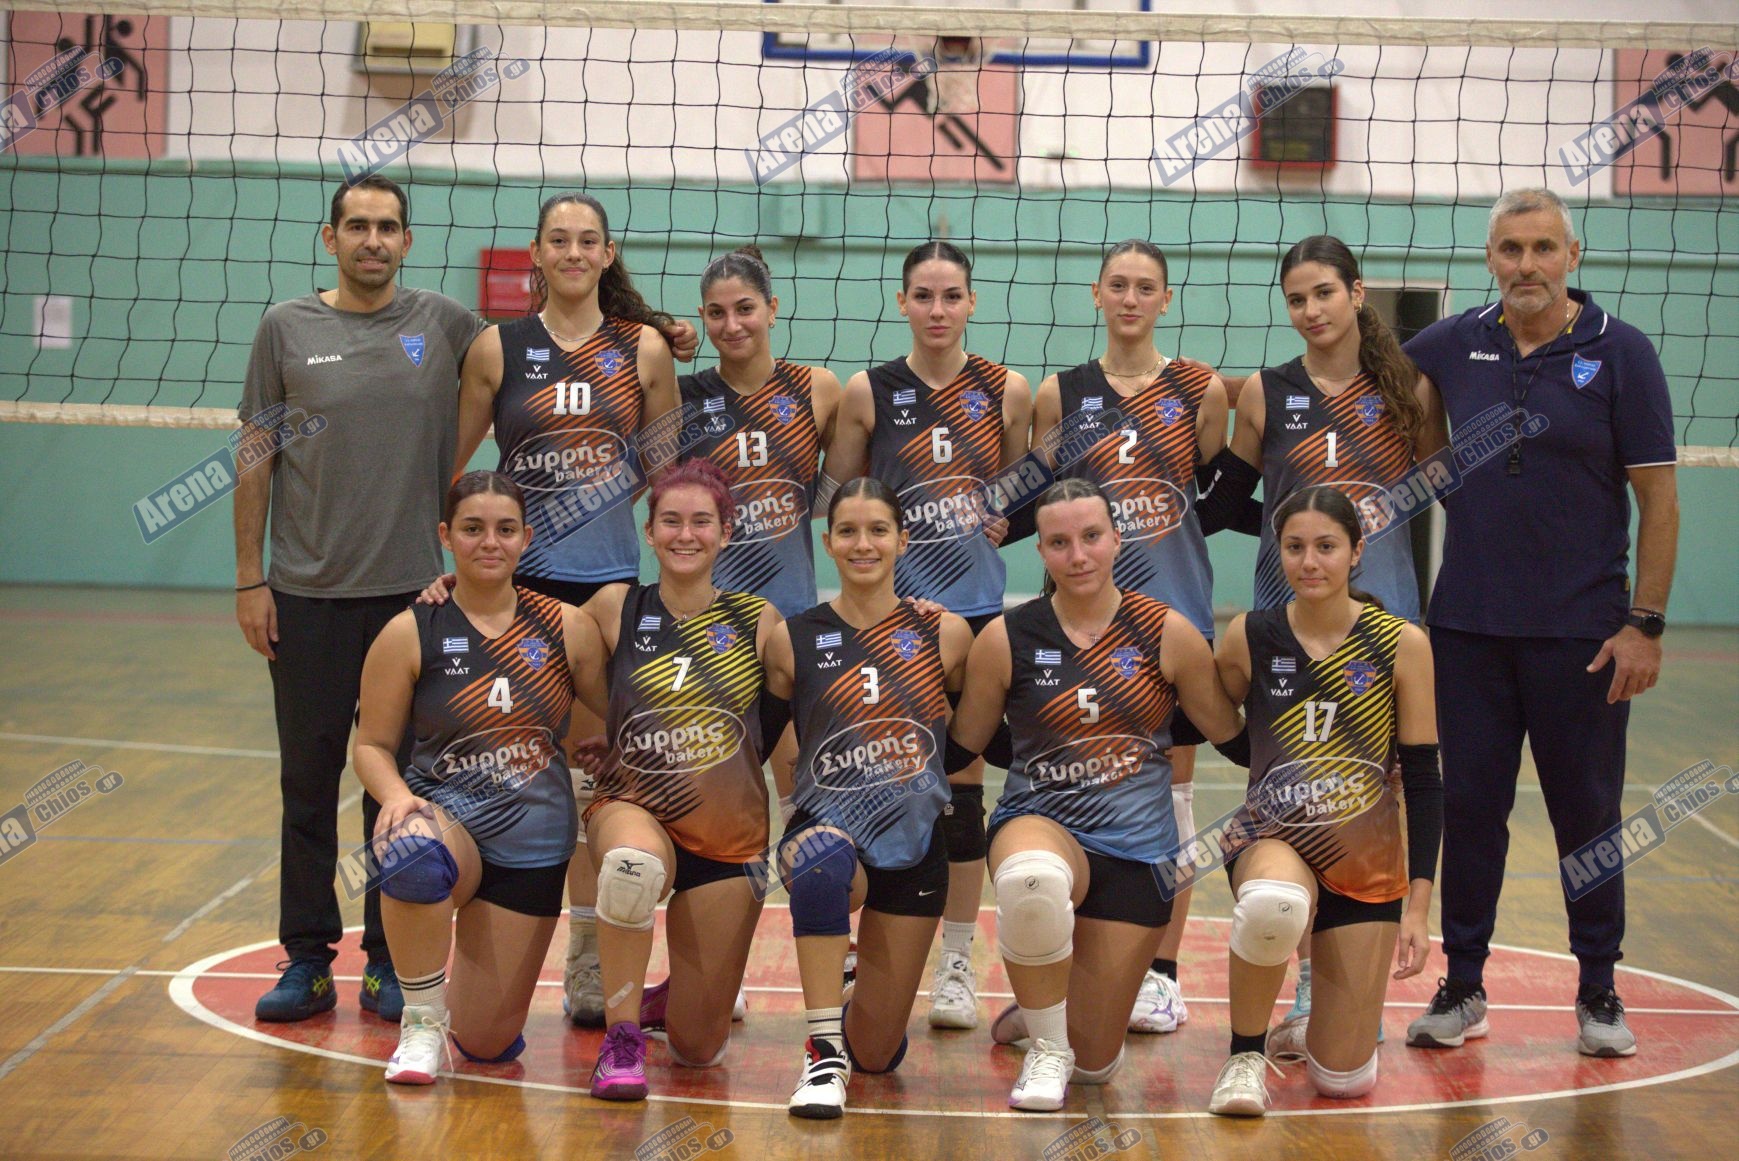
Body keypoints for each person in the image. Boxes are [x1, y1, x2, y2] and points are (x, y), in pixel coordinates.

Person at [1399, 189, 1678, 1058]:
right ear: (1489, 257)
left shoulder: (1622, 352)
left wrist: (1644, 624)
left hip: (1583, 635)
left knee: (1586, 817)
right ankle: (1463, 985)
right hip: (1467, 628)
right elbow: (1384, 384)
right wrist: (1433, 467)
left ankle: (1597, 989)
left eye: (1542, 247)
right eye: (1510, 248)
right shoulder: (1451, 341)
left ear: (1571, 254)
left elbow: (1659, 501)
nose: (1526, 264)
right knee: (1470, 809)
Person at [236, 175, 484, 1024]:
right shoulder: (285, 327)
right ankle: (307, 959)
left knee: (398, 791)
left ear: (406, 240)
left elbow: (540, 351)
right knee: (307, 784)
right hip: (305, 596)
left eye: (387, 227)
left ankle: (388, 959)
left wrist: (650, 328)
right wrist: (249, 578)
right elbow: (255, 456)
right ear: (330, 237)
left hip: (411, 602)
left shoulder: (443, 322)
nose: (372, 239)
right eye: (357, 226)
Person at [451, 191, 684, 1030]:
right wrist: (445, 569)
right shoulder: (497, 346)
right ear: (537, 252)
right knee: (512, 772)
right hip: (516, 596)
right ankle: (494, 950)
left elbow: (668, 477)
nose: (574, 252)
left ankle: (589, 956)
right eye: (560, 239)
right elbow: (452, 469)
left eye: (589, 240)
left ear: (607, 253)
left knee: (596, 781)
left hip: (609, 592)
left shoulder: (643, 348)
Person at [946, 479, 1242, 1111]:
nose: (1077, 555)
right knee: (1032, 880)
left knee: (1095, 1068)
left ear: (1116, 538)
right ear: (1041, 551)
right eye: (1059, 542)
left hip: (1139, 851)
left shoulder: (1167, 632)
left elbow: (1229, 733)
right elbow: (965, 743)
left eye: (1090, 537)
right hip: (1040, 819)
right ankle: (1047, 1045)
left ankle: (1043, 1017)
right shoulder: (1006, 637)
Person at [823, 241, 1033, 1031]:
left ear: (971, 302)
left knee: (960, 793)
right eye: (923, 295)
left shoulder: (1006, 389)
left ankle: (955, 962)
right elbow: (843, 496)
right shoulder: (868, 391)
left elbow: (1016, 496)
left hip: (973, 618)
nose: (937, 309)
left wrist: (998, 519)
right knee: (872, 784)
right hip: (888, 618)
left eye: (950, 296)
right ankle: (856, 952)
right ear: (902, 302)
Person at [1030, 239, 1233, 1037]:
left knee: (1169, 801)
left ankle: (1161, 972)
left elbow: (1219, 499)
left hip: (1171, 624)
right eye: (1117, 284)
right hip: (1077, 628)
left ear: (1165, 299)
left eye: (1145, 287)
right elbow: (1037, 505)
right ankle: (1085, 968)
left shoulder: (1199, 388)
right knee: (1081, 790)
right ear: (1095, 294)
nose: (1129, 298)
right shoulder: (1060, 393)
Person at [352, 471, 607, 1085]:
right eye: (472, 529)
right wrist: (395, 797)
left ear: (526, 538)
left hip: (533, 843)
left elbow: (621, 716)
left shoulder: (567, 627)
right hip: (449, 820)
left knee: (487, 1044)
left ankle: (474, 1009)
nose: (489, 542)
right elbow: (372, 745)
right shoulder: (411, 630)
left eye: (505, 529)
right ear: (446, 536)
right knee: (411, 852)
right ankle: (419, 1024)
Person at [1207, 485, 1441, 1116]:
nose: (1309, 562)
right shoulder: (1250, 635)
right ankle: (1243, 1057)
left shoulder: (1401, 644)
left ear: (1357, 552)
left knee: (1343, 1080)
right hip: (1274, 840)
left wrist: (1419, 907)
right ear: (1278, 553)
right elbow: (1217, 724)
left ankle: (1309, 1031)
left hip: (1367, 864)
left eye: (1326, 547)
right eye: (1294, 548)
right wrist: (1272, 766)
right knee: (1273, 902)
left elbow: (1424, 779)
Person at [761, 478, 974, 1118]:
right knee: (821, 865)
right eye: (848, 531)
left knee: (878, 1054)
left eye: (878, 530)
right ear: (827, 543)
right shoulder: (792, 638)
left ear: (902, 540)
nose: (863, 544)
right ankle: (823, 1054)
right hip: (826, 830)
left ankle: (857, 1009)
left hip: (916, 843)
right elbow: (756, 738)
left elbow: (971, 742)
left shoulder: (946, 634)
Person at [578, 459, 783, 1100]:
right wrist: (458, 586)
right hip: (634, 807)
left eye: (701, 522)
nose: (685, 534)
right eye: (670, 521)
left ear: (726, 531)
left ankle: (669, 999)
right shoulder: (617, 606)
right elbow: (530, 636)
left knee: (699, 1051)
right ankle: (621, 1042)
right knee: (631, 869)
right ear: (649, 532)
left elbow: (807, 703)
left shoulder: (758, 620)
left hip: (728, 837)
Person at [1197, 234, 1446, 619]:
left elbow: (1451, 496)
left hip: (1386, 617)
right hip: (1286, 615)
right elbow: (1223, 508)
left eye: (1324, 293)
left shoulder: (1410, 389)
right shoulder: (1264, 392)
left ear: (1356, 293)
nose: (1311, 311)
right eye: (1297, 300)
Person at [679, 245, 842, 618]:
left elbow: (842, 493)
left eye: (745, 309)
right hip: (706, 615)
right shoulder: (683, 397)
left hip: (793, 613)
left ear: (772, 309)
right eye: (717, 313)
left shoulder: (817, 388)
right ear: (702, 316)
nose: (731, 325)